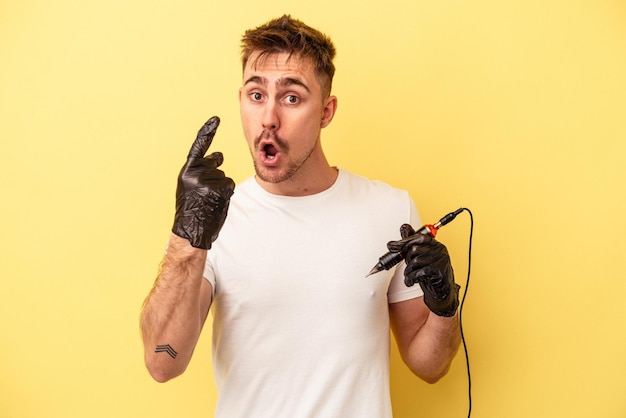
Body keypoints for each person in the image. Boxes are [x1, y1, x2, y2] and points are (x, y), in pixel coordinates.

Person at [140, 15, 461, 418]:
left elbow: (430, 366)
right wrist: (186, 238)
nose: (269, 118)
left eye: (291, 98)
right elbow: (162, 362)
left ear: (326, 111)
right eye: (257, 95)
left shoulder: (389, 209)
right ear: (240, 98)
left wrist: (445, 306)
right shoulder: (213, 220)